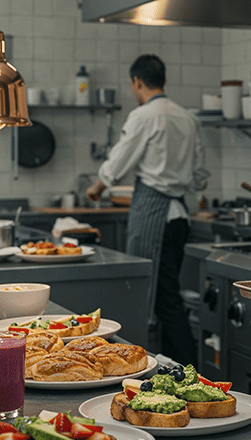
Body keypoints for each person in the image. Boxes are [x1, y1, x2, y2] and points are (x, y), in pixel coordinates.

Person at [86, 54, 209, 366]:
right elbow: (198, 175)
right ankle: (168, 365)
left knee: (158, 297)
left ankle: (180, 367)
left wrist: (98, 187)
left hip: (156, 215)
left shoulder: (144, 116)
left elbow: (120, 159)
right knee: (167, 293)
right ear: (164, 80)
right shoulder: (188, 118)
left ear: (136, 82)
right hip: (180, 216)